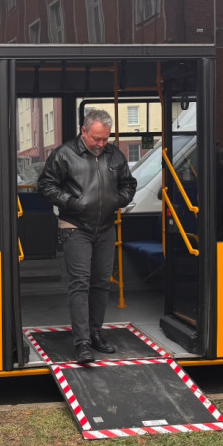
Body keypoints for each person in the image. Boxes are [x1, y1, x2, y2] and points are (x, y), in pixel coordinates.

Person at [38, 109, 137, 363]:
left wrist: (118, 199)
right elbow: (46, 185)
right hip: (74, 225)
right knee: (80, 283)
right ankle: (81, 342)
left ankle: (95, 333)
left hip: (105, 227)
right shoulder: (64, 154)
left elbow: (129, 183)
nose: (101, 144)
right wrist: (73, 202)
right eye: (96, 139)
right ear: (83, 131)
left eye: (105, 139)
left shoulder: (114, 154)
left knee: (102, 282)